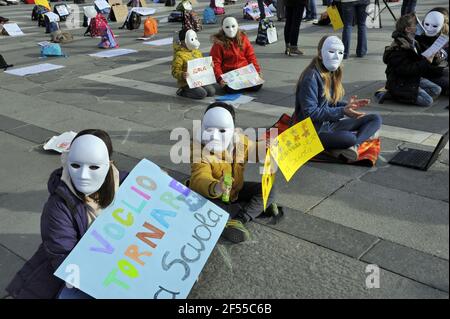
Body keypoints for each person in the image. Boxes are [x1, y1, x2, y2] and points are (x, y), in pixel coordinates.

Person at [6, 129, 129, 299]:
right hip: (79, 278)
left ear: (109, 164)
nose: (84, 175)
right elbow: (65, 258)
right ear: (67, 161)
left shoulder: (126, 182)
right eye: (76, 165)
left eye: (94, 166)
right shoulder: (57, 207)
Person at [189, 102, 283, 243]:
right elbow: (199, 176)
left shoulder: (239, 141)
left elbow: (252, 150)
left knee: (269, 189)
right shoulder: (199, 150)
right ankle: (250, 210)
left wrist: (266, 147)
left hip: (235, 190)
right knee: (214, 212)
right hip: (213, 195)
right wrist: (216, 187)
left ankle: (240, 219)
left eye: (221, 130)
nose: (214, 135)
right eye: (209, 129)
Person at [294, 35, 382, 160]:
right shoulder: (311, 77)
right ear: (320, 54)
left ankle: (354, 145)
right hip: (311, 132)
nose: (336, 56)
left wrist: (347, 107)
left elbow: (328, 103)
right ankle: (355, 142)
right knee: (349, 138)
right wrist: (342, 111)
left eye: (340, 52)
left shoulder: (331, 72)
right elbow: (311, 113)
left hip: (328, 124)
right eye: (331, 52)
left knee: (375, 118)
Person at [382, 14, 444, 107]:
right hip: (400, 81)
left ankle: (412, 91)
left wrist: (434, 57)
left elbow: (421, 59)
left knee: (437, 90)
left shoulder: (414, 41)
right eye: (416, 25)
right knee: (427, 102)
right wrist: (427, 61)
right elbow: (406, 70)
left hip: (412, 77)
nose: (420, 26)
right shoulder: (398, 48)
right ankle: (393, 93)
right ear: (408, 29)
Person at [210, 16, 263, 93]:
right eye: (227, 27)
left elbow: (251, 56)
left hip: (244, 72)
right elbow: (216, 62)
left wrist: (257, 71)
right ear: (223, 28)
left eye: (233, 26)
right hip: (229, 74)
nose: (231, 30)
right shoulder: (218, 43)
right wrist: (220, 78)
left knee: (257, 86)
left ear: (237, 26)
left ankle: (242, 87)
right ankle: (241, 87)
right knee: (231, 89)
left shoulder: (243, 38)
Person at [173, 28, 216, 99]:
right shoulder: (179, 55)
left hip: (199, 79)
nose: (195, 41)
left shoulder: (197, 51)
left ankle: (197, 89)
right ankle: (182, 91)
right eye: (192, 39)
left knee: (211, 91)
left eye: (195, 38)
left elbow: (202, 65)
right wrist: (182, 74)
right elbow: (174, 71)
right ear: (183, 42)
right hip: (187, 83)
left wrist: (209, 65)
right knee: (202, 94)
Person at [416, 7, 449, 96]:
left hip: (441, 71)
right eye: (427, 24)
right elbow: (422, 66)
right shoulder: (419, 38)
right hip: (428, 75)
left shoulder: (444, 36)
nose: (430, 28)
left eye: (435, 25)